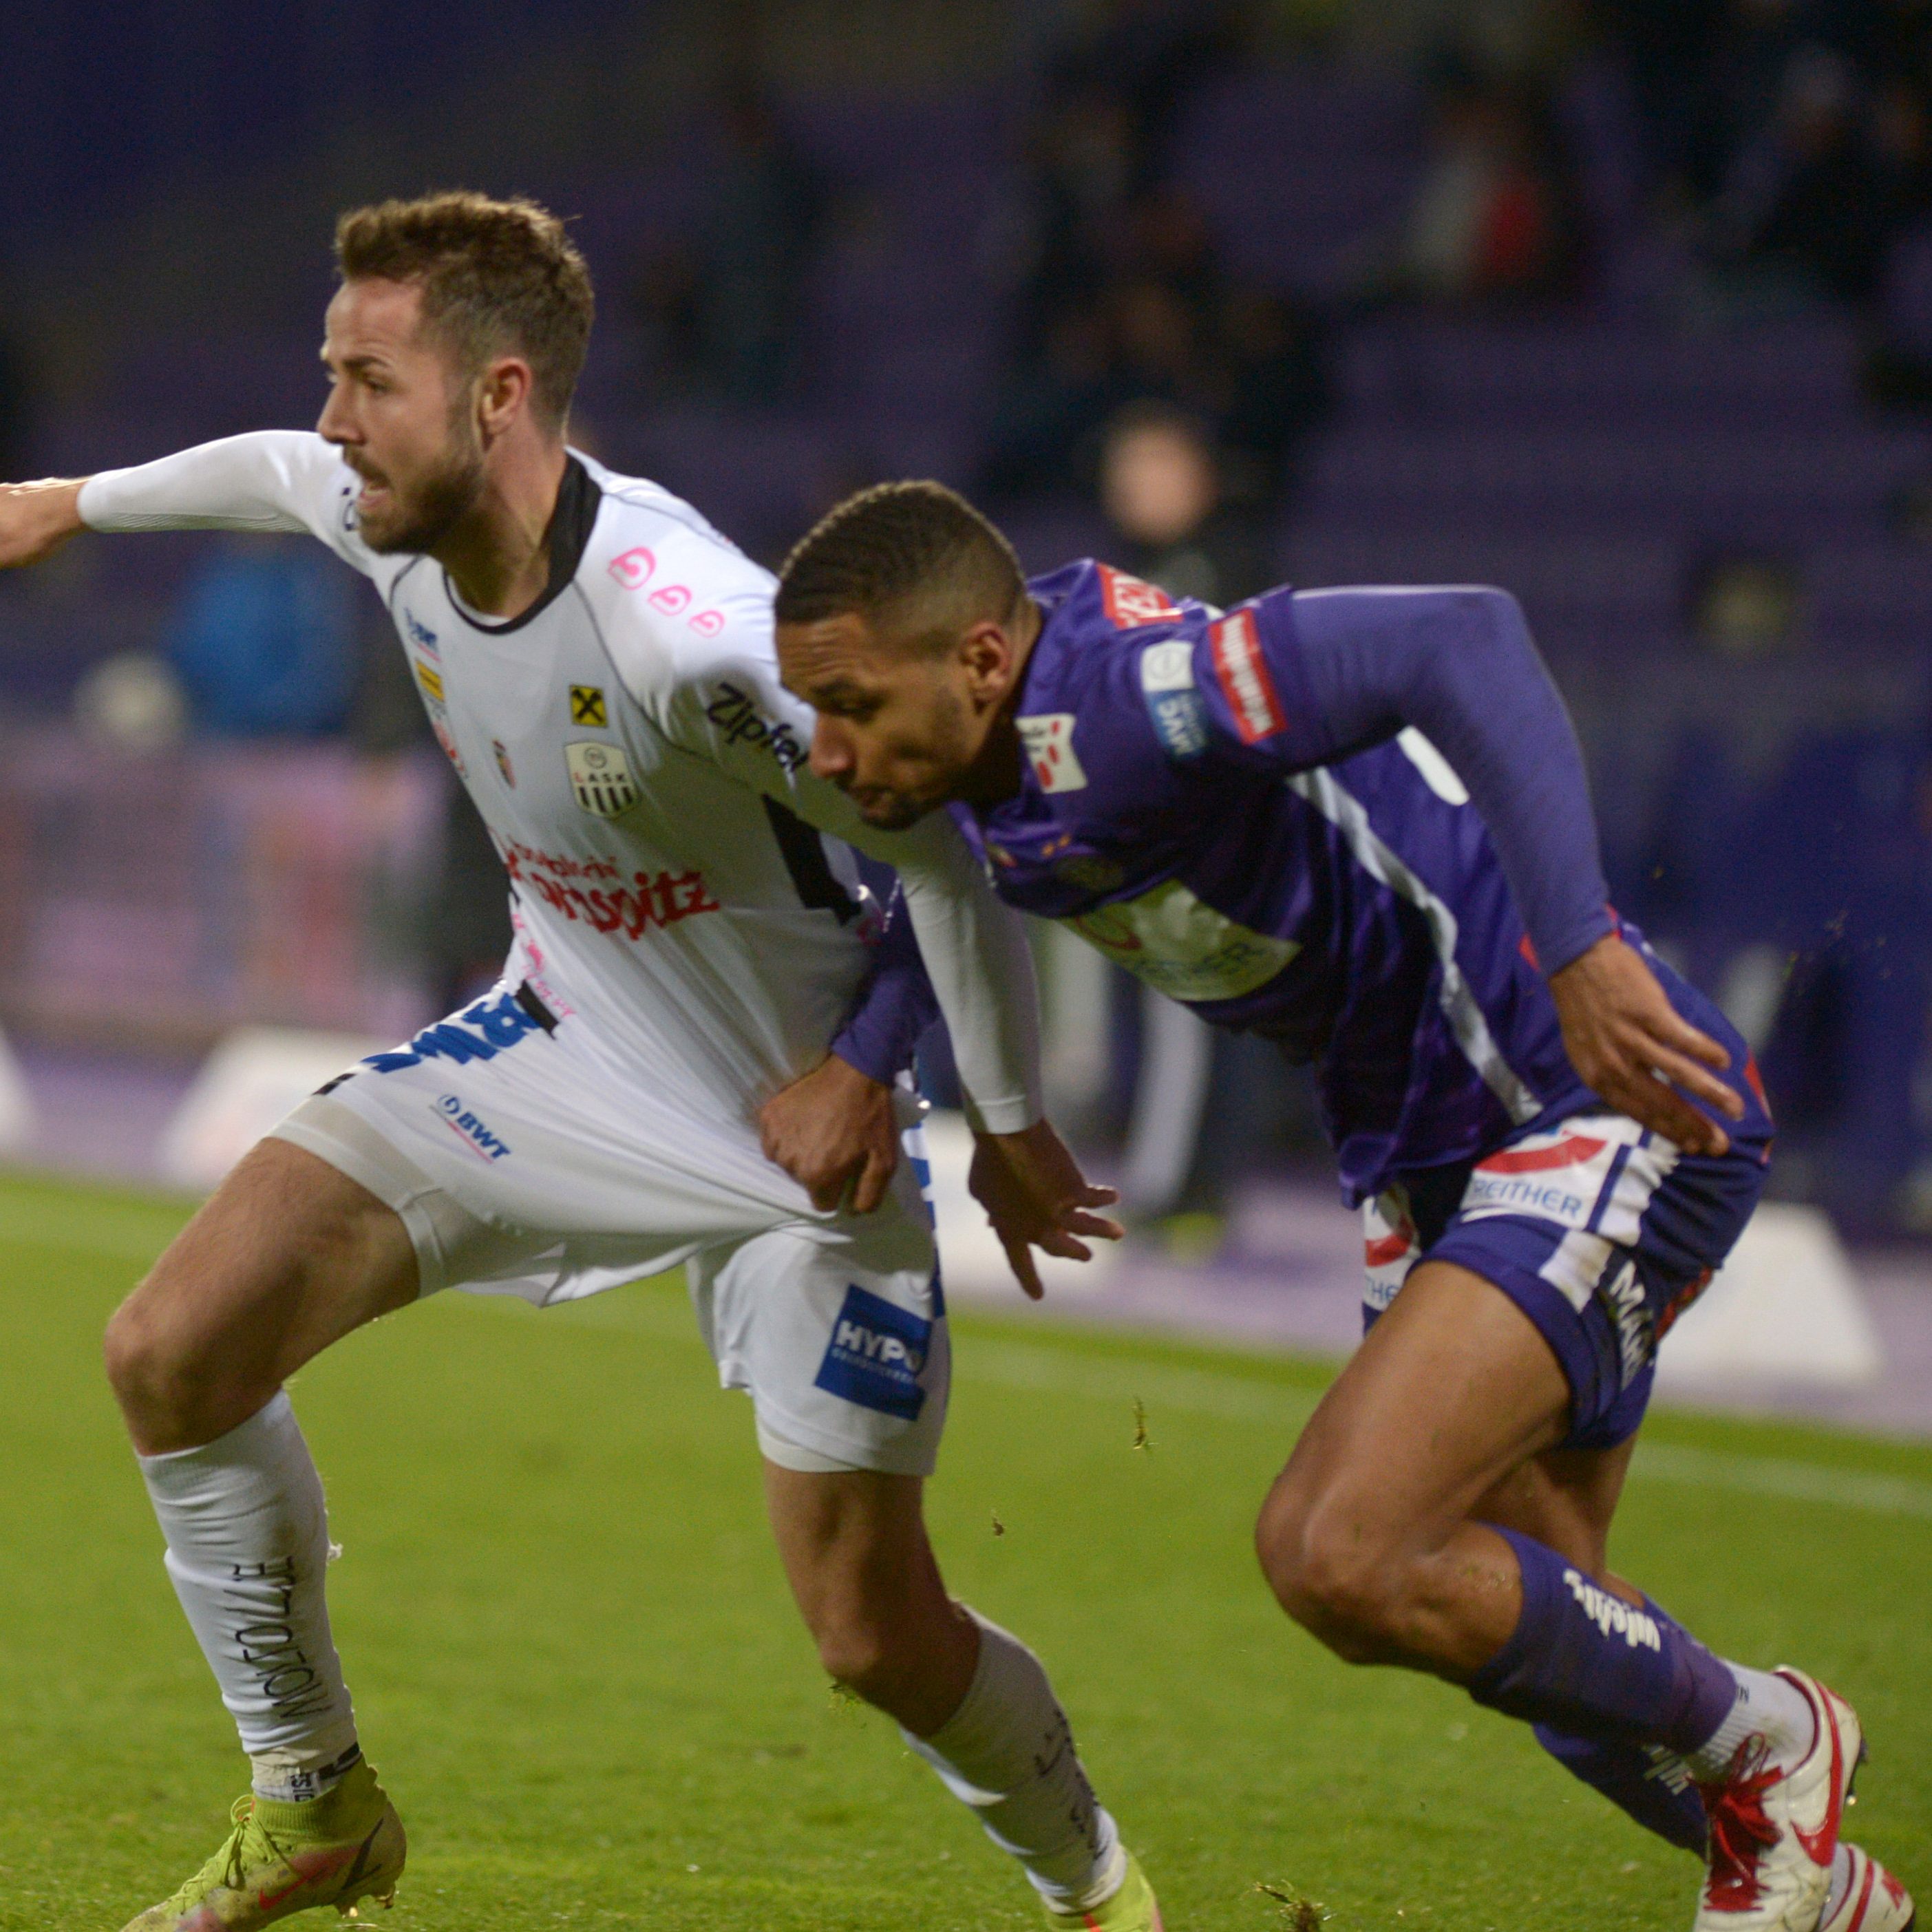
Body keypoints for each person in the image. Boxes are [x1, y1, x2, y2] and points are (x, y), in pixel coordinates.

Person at [0, 195, 1164, 1932]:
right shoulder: (382, 504)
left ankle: (1098, 1888)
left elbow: (943, 844)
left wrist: (953, 1100)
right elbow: (262, 467)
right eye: (333, 372)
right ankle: (313, 1803)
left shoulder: (697, 633)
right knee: (174, 1348)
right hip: (554, 1053)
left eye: (368, 381)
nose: (334, 422)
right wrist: (64, 503)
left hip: (797, 1147)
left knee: (871, 1634)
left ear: (497, 396)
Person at [767, 480, 1918, 1932]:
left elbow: (1463, 639)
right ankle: (1828, 1896)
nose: (829, 751)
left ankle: (1777, 1742)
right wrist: (879, 1066)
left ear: (982, 665)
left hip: (1584, 1098)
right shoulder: (967, 762)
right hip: (1428, 1159)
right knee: (1564, 1657)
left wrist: (1576, 944)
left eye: (853, 706)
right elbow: (934, 889)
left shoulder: (1128, 702)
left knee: (1343, 1550)